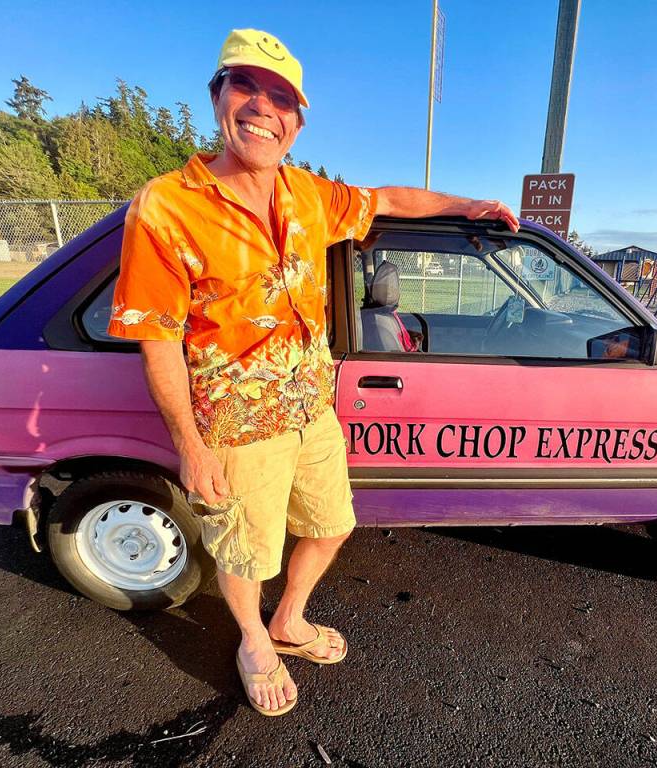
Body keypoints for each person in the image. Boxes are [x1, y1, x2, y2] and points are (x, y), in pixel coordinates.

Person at [107, 28, 518, 716]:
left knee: (331, 525)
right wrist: (190, 442)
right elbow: (157, 340)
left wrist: (464, 205)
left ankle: (287, 620)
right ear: (218, 98)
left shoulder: (309, 195)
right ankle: (251, 641)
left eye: (281, 98)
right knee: (247, 554)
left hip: (310, 409)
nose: (262, 108)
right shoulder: (168, 205)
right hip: (236, 425)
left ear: (297, 120)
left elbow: (386, 199)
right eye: (246, 88)